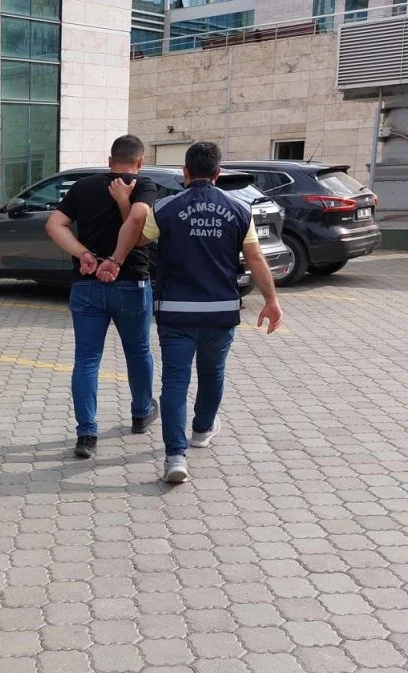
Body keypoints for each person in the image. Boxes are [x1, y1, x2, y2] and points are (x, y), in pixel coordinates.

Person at [106, 141, 283, 483]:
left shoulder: (166, 208)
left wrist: (124, 207)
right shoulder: (239, 209)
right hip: (220, 311)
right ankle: (201, 430)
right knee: (212, 373)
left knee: (175, 380)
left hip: (176, 312)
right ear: (218, 173)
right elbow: (255, 258)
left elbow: (137, 238)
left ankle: (175, 457)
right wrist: (271, 300)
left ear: (185, 173)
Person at [45, 135, 159, 459]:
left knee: (86, 360)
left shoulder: (83, 187)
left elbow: (54, 225)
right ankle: (141, 413)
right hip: (131, 284)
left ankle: (86, 434)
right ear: (140, 162)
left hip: (87, 285)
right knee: (138, 352)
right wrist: (116, 257)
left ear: (110, 161)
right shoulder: (142, 185)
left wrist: (83, 254)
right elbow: (138, 218)